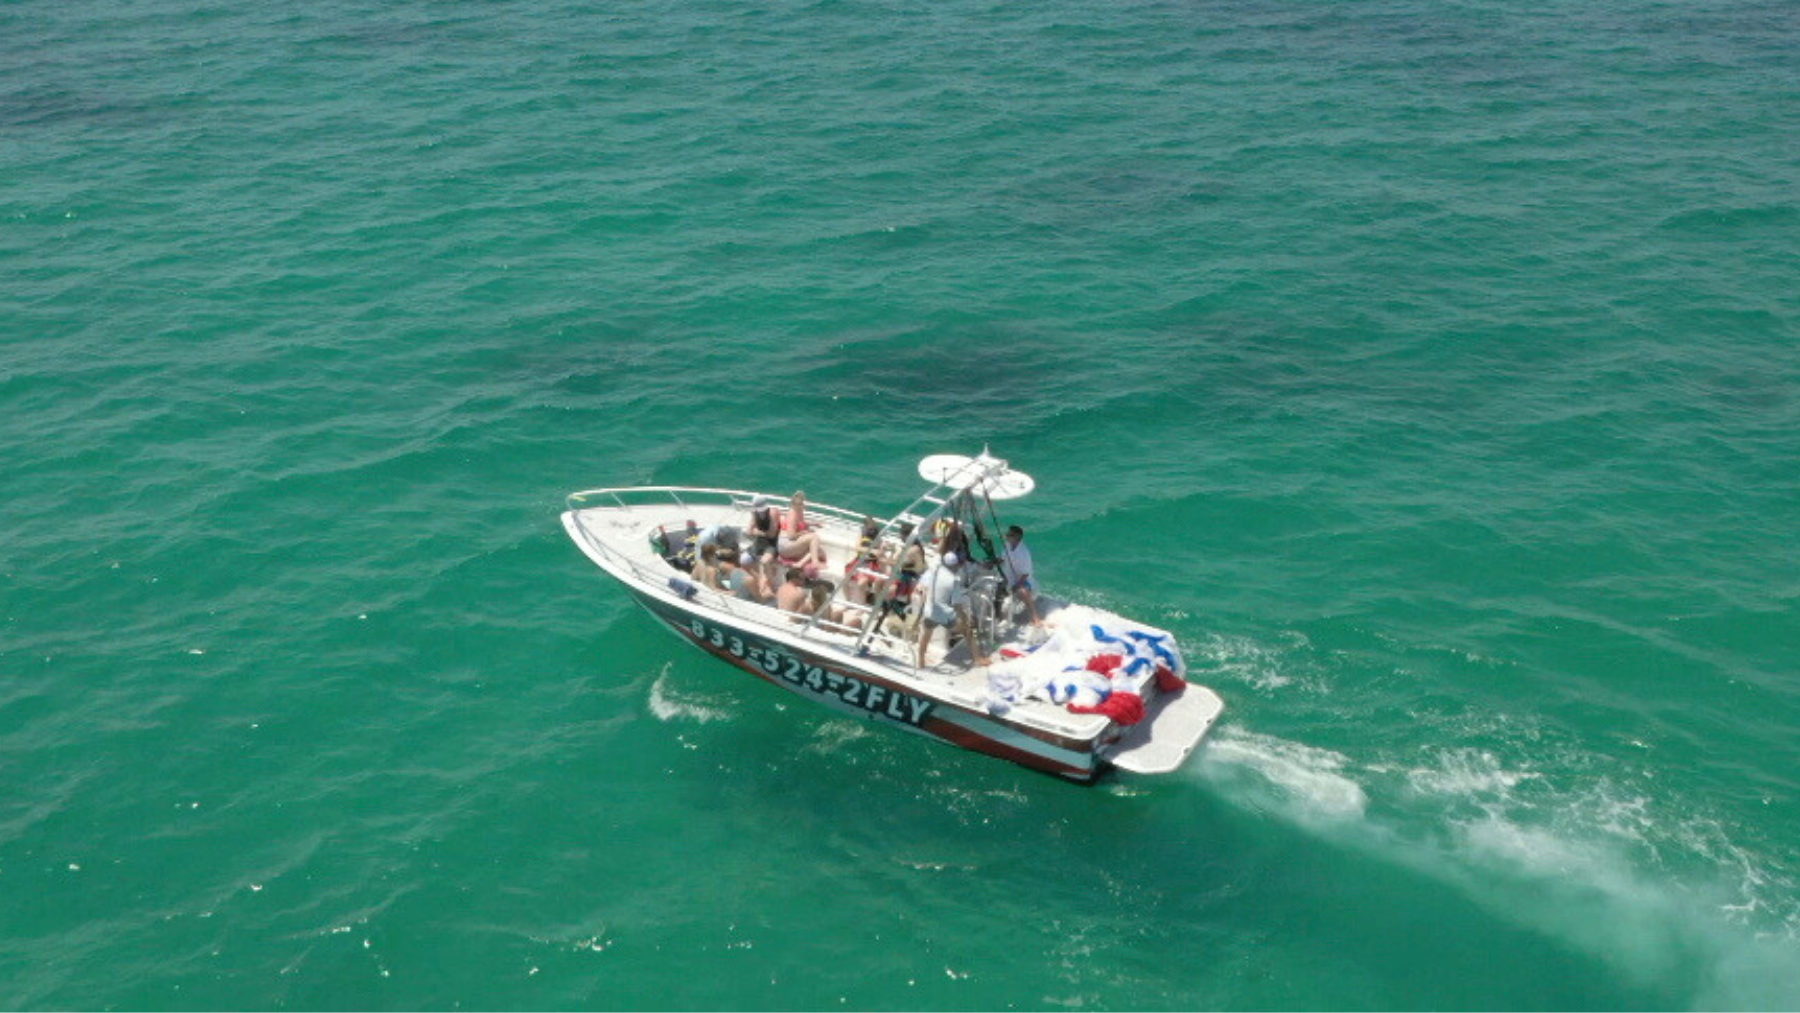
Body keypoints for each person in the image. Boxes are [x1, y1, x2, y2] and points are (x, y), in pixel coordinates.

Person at [914, 553, 991, 669]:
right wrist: (966, 619)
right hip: (944, 616)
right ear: (955, 566)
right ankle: (977, 659)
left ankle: (920, 661)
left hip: (929, 611)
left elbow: (923, 587)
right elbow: (957, 605)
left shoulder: (933, 572)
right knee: (968, 631)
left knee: (926, 635)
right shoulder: (953, 580)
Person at [1001, 524, 1042, 626]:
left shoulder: (1024, 553)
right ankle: (999, 615)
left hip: (1023, 580)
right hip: (1009, 578)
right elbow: (1003, 558)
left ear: (1017, 537)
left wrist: (1016, 586)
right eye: (1007, 534)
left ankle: (1035, 618)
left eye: (1010, 535)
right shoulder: (1007, 545)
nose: (1006, 536)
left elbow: (1025, 574)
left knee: (1023, 592)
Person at [778, 490, 827, 568]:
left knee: (820, 553)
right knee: (814, 537)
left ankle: (799, 564)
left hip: (792, 544)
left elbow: (801, 522)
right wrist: (804, 533)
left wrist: (814, 524)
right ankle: (815, 562)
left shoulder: (799, 511)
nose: (802, 505)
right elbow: (791, 536)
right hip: (785, 545)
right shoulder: (793, 514)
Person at [746, 495, 780, 559]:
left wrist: (757, 532)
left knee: (765, 560)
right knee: (745, 559)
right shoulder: (755, 513)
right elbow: (748, 531)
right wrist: (762, 533)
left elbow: (772, 535)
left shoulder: (772, 512)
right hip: (759, 541)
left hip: (772, 543)